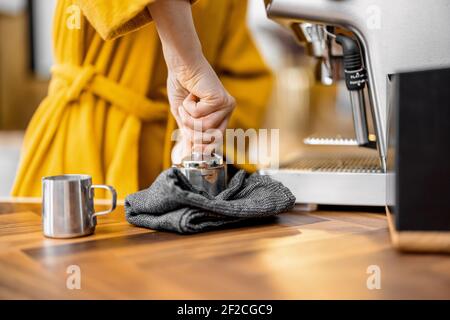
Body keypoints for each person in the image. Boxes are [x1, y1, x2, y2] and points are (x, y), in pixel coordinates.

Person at [12, 0, 272, 199]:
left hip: (176, 169)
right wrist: (187, 63)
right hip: (85, 152)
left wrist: (200, 139)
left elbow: (242, 78)